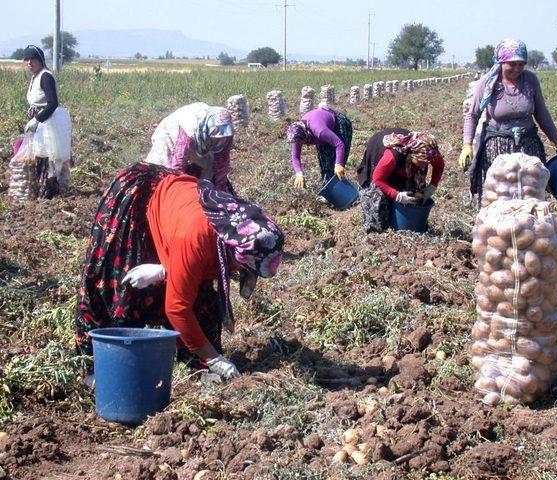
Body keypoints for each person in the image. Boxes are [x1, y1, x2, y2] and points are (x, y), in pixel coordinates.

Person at [75, 162, 284, 384]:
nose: (241, 272)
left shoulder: (246, 225)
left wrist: (165, 269)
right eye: (243, 267)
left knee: (203, 303)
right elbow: (177, 307)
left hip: (176, 209)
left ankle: (197, 367)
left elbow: (196, 268)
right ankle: (98, 368)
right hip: (139, 199)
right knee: (117, 286)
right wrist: (214, 358)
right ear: (234, 251)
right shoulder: (195, 238)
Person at [458, 38, 557, 205]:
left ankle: (528, 229)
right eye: (512, 64)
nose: (517, 69)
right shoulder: (488, 83)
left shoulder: (530, 80)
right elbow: (472, 114)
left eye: (521, 64)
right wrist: (467, 145)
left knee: (529, 194)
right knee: (499, 196)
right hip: (497, 148)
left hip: (528, 147)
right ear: (501, 62)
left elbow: (542, 113)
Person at [357, 128, 445, 232]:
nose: (425, 165)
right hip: (378, 157)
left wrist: (432, 186)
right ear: (412, 154)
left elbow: (439, 166)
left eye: (428, 162)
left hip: (403, 163)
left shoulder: (429, 151)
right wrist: (397, 196)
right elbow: (378, 178)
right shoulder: (393, 155)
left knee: (415, 192)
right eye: (421, 161)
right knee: (378, 196)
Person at [145, 103, 235, 192]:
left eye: (220, 137)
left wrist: (221, 193)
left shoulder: (226, 135)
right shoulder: (189, 130)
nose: (218, 140)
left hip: (201, 138)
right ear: (207, 129)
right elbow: (178, 164)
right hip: (171, 132)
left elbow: (222, 164)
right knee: (158, 170)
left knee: (208, 172)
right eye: (215, 136)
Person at [22, 45, 72, 198]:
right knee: (39, 154)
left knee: (49, 155)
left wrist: (37, 119)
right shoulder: (35, 77)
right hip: (39, 122)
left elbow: (52, 103)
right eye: (27, 59)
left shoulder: (45, 76)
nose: (30, 62)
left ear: (40, 60)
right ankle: (42, 188)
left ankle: (50, 190)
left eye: (33, 59)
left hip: (48, 122)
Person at [286, 107, 352, 188]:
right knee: (325, 163)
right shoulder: (296, 135)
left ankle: (342, 190)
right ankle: (329, 189)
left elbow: (339, 144)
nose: (298, 144)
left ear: (305, 136)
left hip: (339, 125)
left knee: (338, 162)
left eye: (301, 142)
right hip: (321, 130)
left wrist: (338, 164)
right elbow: (295, 157)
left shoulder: (319, 131)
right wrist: (299, 174)